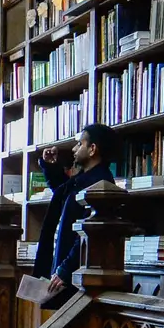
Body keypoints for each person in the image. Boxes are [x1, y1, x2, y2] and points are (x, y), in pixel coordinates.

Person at [32, 124, 121, 306]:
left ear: (92, 149)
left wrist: (65, 269)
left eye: (79, 144)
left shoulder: (99, 184)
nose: (74, 149)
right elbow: (64, 194)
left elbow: (88, 234)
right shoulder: (86, 178)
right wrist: (52, 168)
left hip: (76, 276)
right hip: (68, 271)